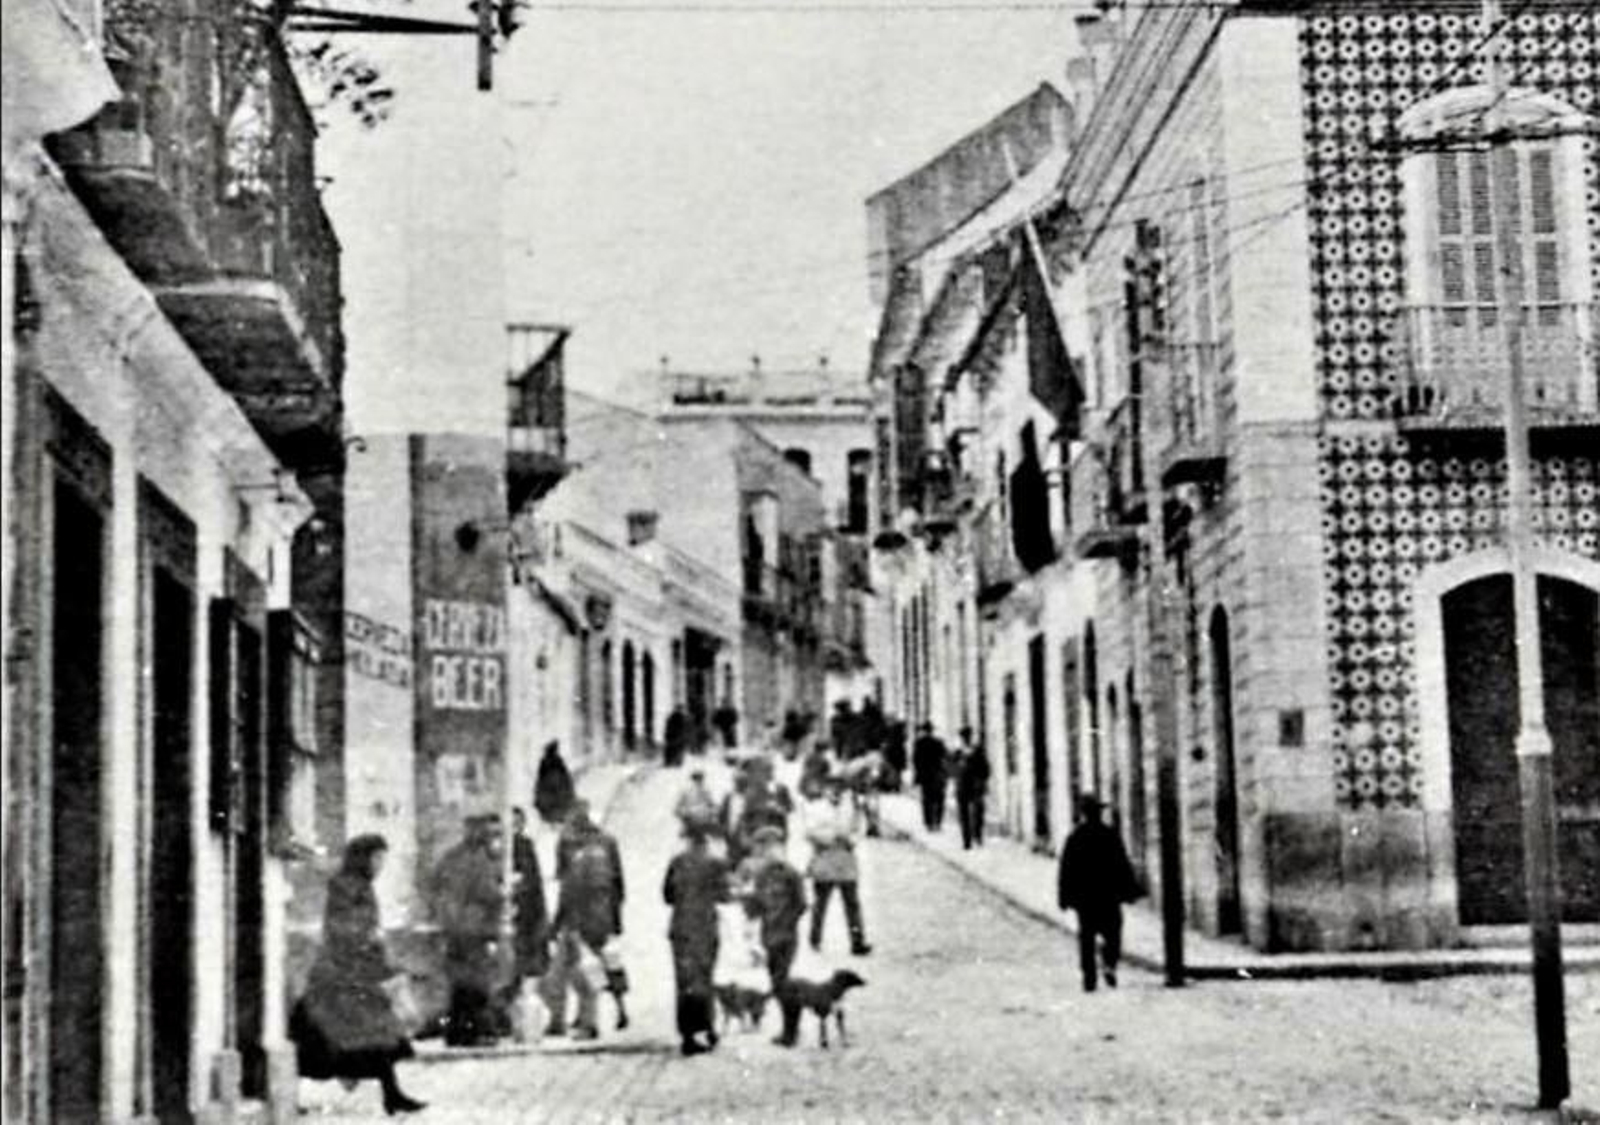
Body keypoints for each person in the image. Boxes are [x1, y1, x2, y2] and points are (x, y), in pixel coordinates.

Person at [291, 834, 426, 1115]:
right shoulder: (347, 886)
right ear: (363, 858)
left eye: (382, 859)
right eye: (377, 859)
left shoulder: (359, 885)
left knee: (372, 1037)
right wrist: (368, 937)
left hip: (357, 974)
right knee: (332, 1039)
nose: (380, 865)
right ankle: (286, 1092)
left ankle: (393, 1094)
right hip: (342, 975)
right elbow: (341, 929)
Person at [544, 799, 627, 1038]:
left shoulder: (578, 846)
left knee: (582, 971)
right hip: (597, 918)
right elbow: (617, 885)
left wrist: (558, 922)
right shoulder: (602, 842)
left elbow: (567, 888)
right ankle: (586, 1016)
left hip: (580, 919)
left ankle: (586, 1022)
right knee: (600, 967)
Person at [431, 814, 506, 1047]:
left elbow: (434, 885)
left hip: (452, 929)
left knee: (458, 984)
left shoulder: (450, 857)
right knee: (477, 983)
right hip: (475, 928)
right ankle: (479, 1031)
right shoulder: (479, 860)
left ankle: (456, 1032)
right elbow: (490, 895)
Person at [1057, 794, 1143, 992]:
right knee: (1113, 934)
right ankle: (1109, 964)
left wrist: (1064, 897)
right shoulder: (1109, 835)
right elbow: (1122, 865)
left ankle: (1089, 977)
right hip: (1108, 897)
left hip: (1085, 900)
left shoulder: (1075, 837)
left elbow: (1066, 870)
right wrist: (1130, 891)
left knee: (1086, 938)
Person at [663, 826, 731, 1055]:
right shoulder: (716, 864)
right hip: (705, 927)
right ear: (707, 840)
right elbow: (724, 895)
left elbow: (667, 895)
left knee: (684, 981)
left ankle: (687, 1034)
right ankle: (707, 1027)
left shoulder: (677, 862)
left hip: (681, 927)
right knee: (705, 977)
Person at [805, 778, 871, 956]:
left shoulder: (851, 808)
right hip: (825, 857)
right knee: (821, 903)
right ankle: (815, 938)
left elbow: (861, 827)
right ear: (825, 790)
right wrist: (829, 836)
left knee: (852, 903)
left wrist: (852, 840)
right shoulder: (816, 807)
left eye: (839, 790)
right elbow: (809, 830)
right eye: (831, 789)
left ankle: (857, 941)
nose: (835, 793)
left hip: (845, 858)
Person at [737, 825, 806, 993]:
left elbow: (801, 902)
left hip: (778, 928)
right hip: (777, 928)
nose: (770, 851)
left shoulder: (790, 873)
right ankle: (780, 990)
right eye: (767, 846)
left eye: (774, 846)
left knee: (779, 966)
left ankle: (780, 990)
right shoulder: (762, 871)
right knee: (777, 966)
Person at [510, 807, 549, 980]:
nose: (515, 827)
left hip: (525, 911)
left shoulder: (526, 846)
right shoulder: (496, 848)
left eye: (518, 823)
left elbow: (535, 881)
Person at [954, 729, 990, 850]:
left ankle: (977, 835)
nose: (965, 739)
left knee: (978, 812)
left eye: (967, 737)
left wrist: (981, 780)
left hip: (975, 786)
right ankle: (966, 841)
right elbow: (951, 769)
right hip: (962, 787)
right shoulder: (958, 752)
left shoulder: (978, 750)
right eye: (963, 737)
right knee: (963, 814)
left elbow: (986, 769)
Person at [911, 722, 950, 832]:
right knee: (939, 800)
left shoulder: (919, 743)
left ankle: (929, 823)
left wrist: (917, 776)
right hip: (937, 775)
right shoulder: (938, 743)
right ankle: (937, 822)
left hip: (926, 776)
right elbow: (944, 758)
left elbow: (916, 761)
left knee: (927, 800)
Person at [534, 741, 576, 825]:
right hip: (553, 795)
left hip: (554, 796)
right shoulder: (553, 762)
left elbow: (540, 781)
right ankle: (555, 817)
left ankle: (555, 817)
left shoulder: (547, 762)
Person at [674, 767, 721, 838]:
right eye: (696, 779)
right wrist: (683, 814)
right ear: (693, 779)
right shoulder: (686, 791)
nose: (699, 781)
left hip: (703, 822)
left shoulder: (705, 791)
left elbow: (711, 803)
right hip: (691, 822)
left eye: (700, 779)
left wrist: (716, 809)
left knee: (716, 835)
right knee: (686, 837)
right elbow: (677, 808)